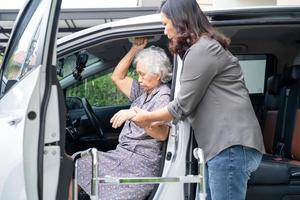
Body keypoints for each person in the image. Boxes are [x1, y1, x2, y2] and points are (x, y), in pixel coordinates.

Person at [131, 0, 265, 200]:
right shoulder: (205, 48)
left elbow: (182, 105)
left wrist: (147, 118)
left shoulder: (202, 50)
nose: (166, 31)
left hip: (230, 147)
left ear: (180, 22)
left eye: (166, 24)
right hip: (226, 148)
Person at [75, 38, 172, 200]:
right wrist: (135, 48)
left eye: (142, 74)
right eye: (138, 74)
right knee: (79, 162)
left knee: (79, 164)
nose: (139, 79)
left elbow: (162, 134)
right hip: (125, 156)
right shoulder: (144, 92)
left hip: (139, 163)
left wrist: (135, 115)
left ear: (158, 74)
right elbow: (117, 77)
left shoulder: (163, 96)